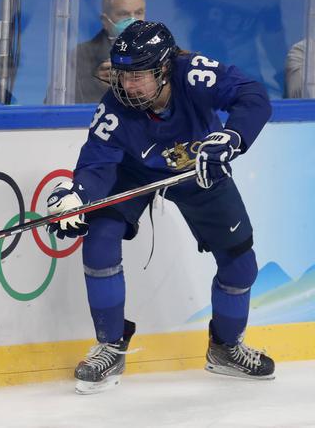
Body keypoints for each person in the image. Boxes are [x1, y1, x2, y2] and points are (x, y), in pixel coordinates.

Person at [46, 20, 275, 395]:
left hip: (198, 165)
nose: (128, 85)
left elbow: (253, 95)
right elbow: (96, 164)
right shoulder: (114, 108)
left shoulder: (195, 75)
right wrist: (78, 196)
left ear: (165, 68)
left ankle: (226, 348)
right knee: (100, 240)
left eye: (139, 75)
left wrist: (231, 136)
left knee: (240, 262)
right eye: (122, 75)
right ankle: (110, 344)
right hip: (132, 171)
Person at [73, 0, 146, 103]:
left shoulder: (159, 53)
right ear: (105, 21)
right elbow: (54, 105)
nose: (133, 20)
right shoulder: (79, 56)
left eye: (138, 13)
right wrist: (96, 84)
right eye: (124, 14)